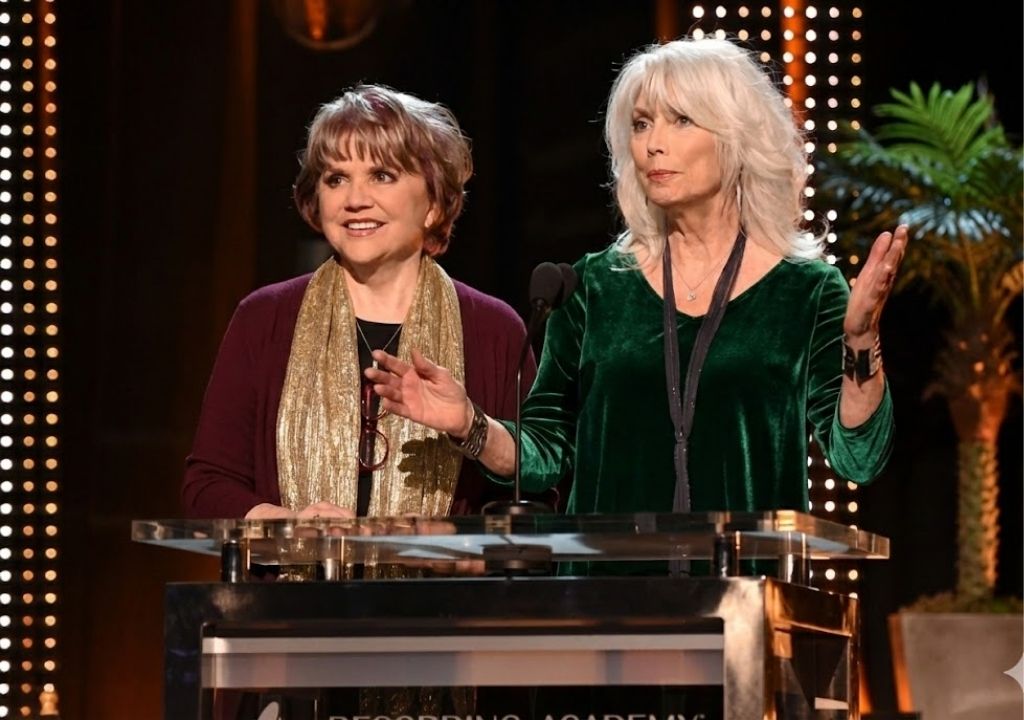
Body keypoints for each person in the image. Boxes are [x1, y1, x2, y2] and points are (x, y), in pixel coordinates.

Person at [367, 37, 904, 523]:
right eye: (642, 124)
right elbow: (544, 455)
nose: (652, 145)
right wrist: (470, 423)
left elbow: (858, 457)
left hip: (742, 585)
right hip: (610, 589)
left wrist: (860, 341)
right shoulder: (593, 287)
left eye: (681, 121)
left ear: (737, 138)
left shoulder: (806, 291)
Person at [182, 84, 534, 521]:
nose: (354, 200)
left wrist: (470, 426)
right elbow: (207, 485)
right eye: (336, 179)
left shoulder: (495, 330)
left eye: (381, 175)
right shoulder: (263, 318)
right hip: (292, 570)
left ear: (433, 203)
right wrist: (291, 527)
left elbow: (541, 491)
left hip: (442, 571)